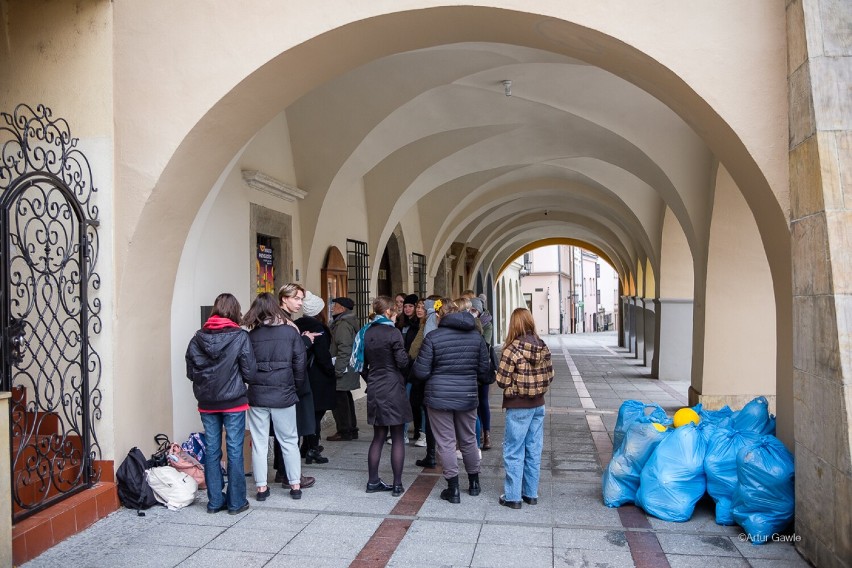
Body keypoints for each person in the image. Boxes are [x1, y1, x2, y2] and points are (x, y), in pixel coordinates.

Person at [412, 298, 490, 504]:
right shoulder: (476, 337)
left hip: (439, 396)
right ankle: (474, 483)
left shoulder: (433, 338)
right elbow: (484, 371)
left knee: (446, 442)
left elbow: (420, 371)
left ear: (441, 316)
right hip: (467, 395)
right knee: (469, 439)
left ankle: (453, 488)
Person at [185, 293, 256, 515]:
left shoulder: (197, 338)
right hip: (233, 401)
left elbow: (190, 372)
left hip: (207, 402)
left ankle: (215, 501)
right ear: (235, 311)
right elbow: (250, 372)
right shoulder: (240, 336)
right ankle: (236, 503)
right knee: (234, 451)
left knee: (213, 450)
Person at [242, 293, 307, 500]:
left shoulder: (250, 336)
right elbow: (300, 364)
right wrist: (294, 387)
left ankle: (261, 488)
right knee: (289, 440)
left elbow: (246, 368)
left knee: (260, 442)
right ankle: (295, 485)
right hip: (284, 394)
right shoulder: (290, 333)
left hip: (257, 396)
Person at [495, 307, 555, 509]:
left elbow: (501, 381)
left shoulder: (511, 349)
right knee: (534, 449)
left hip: (518, 405)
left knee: (513, 450)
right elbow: (551, 375)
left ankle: (513, 497)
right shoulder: (543, 346)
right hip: (538, 404)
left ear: (514, 324)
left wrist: (516, 385)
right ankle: (530, 493)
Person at [359, 295, 411, 497]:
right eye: (395, 312)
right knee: (397, 435)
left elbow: (360, 365)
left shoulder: (366, 332)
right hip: (393, 385)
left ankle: (373, 481)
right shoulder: (393, 333)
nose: (397, 315)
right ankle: (397, 484)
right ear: (388, 312)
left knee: (378, 436)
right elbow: (402, 361)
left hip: (375, 386)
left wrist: (371, 377)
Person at [295, 291, 335, 464]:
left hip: (301, 376)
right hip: (317, 376)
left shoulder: (295, 324)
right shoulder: (318, 328)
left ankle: (306, 446)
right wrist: (330, 371)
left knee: (307, 412)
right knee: (316, 415)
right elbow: (322, 355)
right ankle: (312, 448)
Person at [328, 297, 361, 441]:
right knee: (346, 398)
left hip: (343, 368)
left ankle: (344, 431)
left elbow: (344, 349)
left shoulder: (342, 325)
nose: (332, 308)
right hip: (348, 367)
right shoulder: (346, 322)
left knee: (340, 400)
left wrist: (338, 370)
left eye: (335, 305)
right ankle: (351, 429)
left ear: (342, 309)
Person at [469, 295, 492, 451]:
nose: (472, 312)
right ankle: (476, 434)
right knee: (474, 403)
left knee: (483, 401)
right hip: (471, 367)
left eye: (474, 310)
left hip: (483, 367)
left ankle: (486, 433)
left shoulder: (487, 324)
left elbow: (486, 343)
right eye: (470, 309)